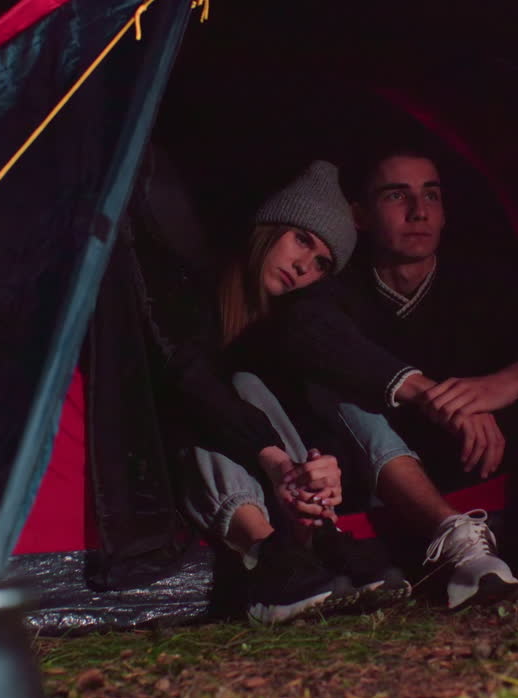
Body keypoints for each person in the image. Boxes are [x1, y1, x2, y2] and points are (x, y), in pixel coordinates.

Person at [271, 148, 518, 608]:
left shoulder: (482, 279)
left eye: (431, 195)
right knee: (338, 386)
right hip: (392, 475)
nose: (418, 211)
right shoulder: (343, 289)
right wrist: (435, 397)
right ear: (361, 216)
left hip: (485, 459)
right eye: (396, 196)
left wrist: (499, 387)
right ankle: (453, 542)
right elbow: (304, 333)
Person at [163, 160, 410, 623]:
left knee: (252, 386)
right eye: (302, 240)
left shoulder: (283, 331)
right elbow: (190, 386)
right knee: (227, 394)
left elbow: (306, 411)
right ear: (270, 227)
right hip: (174, 460)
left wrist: (323, 468)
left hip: (270, 483)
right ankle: (266, 557)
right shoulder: (188, 289)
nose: (303, 267)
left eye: (321, 264)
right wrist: (272, 457)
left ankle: (321, 538)